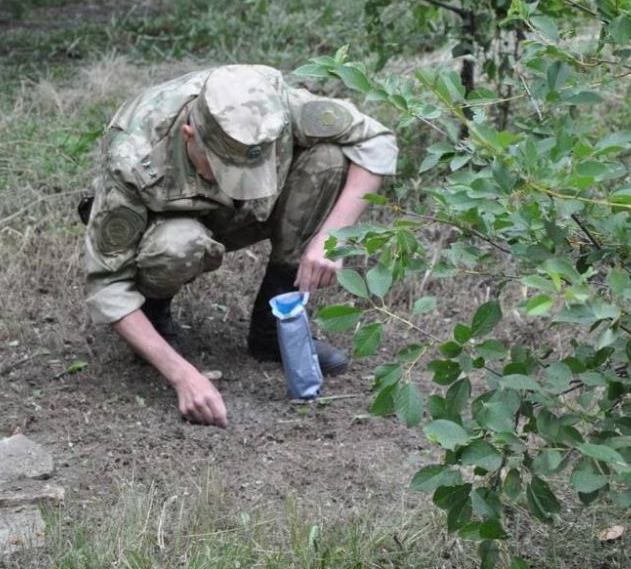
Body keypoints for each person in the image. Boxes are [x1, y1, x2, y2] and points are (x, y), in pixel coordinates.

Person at [81, 64, 398, 428]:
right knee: (176, 246)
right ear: (189, 136)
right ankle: (155, 322)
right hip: (175, 225)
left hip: (247, 215)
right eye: (223, 170)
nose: (239, 184)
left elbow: (376, 141)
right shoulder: (133, 152)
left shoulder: (274, 108)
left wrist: (331, 237)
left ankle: (271, 329)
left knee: (328, 159)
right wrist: (182, 376)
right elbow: (107, 284)